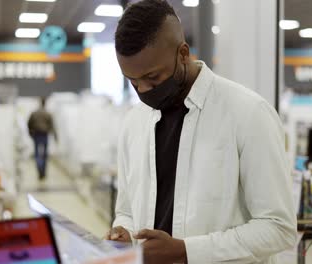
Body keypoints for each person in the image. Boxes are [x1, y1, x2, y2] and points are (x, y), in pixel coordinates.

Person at [106, 1, 297, 263]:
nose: (143, 91)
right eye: (133, 82)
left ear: (183, 53)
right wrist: (124, 232)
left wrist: (186, 251)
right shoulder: (133, 123)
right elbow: (126, 211)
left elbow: (279, 228)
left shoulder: (248, 114)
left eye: (153, 78)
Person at [27, 97, 57, 180]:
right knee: (44, 154)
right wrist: (55, 136)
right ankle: (43, 171)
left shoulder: (34, 113)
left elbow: (29, 123)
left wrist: (30, 133)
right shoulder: (48, 114)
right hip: (44, 135)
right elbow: (52, 126)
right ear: (45, 103)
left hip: (36, 135)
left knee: (37, 154)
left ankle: (39, 169)